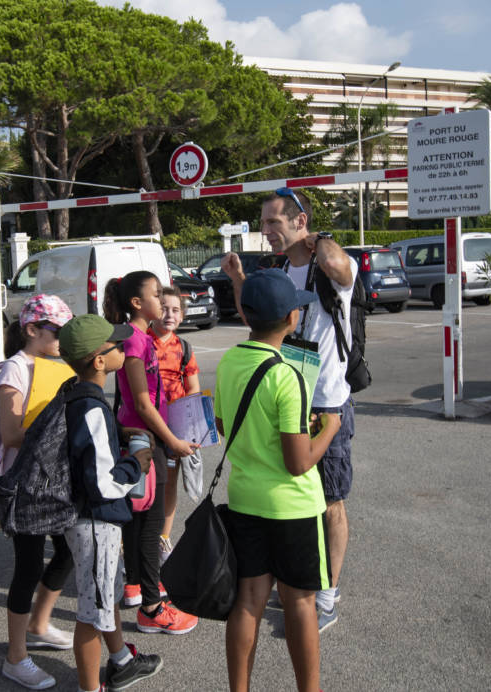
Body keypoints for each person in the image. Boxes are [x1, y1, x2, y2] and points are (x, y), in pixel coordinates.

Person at [223, 188, 358, 631]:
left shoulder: (330, 264)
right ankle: (301, 583)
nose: (266, 231)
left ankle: (326, 595)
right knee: (296, 495)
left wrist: (320, 238)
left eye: (273, 222)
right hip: (284, 390)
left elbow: (339, 267)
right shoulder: (279, 270)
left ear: (300, 221)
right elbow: (257, 318)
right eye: (263, 223)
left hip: (325, 400)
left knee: (330, 500)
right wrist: (239, 279)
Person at [217, 270, 339, 692]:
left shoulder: (229, 361)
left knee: (248, 600)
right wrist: (328, 428)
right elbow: (298, 462)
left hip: (244, 500)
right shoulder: (288, 375)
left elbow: (223, 423)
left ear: (245, 314)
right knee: (300, 602)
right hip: (293, 507)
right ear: (292, 318)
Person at [57, 314, 163, 692]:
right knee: (92, 612)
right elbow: (103, 483)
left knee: (106, 596)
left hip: (86, 519)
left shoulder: (75, 393)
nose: (123, 348)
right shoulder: (92, 408)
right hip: (94, 521)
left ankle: (121, 660)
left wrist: (119, 431)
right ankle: (90, 687)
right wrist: (137, 465)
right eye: (117, 345)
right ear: (100, 361)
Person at [103, 271, 198, 636]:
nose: (163, 300)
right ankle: (152, 608)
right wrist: (173, 441)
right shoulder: (134, 340)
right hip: (144, 439)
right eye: (157, 294)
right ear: (137, 303)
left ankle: (135, 585)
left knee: (138, 518)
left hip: (144, 437)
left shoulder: (138, 337)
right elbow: (142, 403)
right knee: (150, 522)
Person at [0, 294, 76, 689]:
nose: (63, 339)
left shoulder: (60, 367)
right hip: (25, 483)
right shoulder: (15, 368)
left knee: (67, 551)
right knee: (27, 567)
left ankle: (39, 624)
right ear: (31, 329)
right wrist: (53, 426)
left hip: (57, 479)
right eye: (57, 331)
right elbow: (11, 434)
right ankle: (15, 656)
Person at [148, 286, 200, 561]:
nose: (170, 314)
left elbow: (193, 388)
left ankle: (163, 538)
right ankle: (134, 539)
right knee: (144, 485)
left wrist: (191, 424)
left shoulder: (184, 348)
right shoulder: (143, 341)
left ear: (182, 316)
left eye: (176, 310)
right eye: (164, 308)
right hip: (146, 424)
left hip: (176, 428)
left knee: (169, 484)